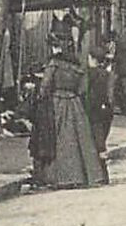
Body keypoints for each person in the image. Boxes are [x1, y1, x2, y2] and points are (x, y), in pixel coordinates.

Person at [29, 39, 107, 188]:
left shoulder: (54, 64)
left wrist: (40, 97)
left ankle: (57, 177)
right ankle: (81, 176)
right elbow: (82, 90)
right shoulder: (77, 67)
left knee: (55, 139)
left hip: (57, 102)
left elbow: (45, 86)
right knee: (78, 141)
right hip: (74, 104)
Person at [86, 41, 117, 174]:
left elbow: (87, 93)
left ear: (92, 59)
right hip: (106, 110)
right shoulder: (107, 74)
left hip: (93, 110)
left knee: (96, 141)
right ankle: (103, 172)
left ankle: (100, 172)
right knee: (101, 139)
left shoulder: (89, 74)